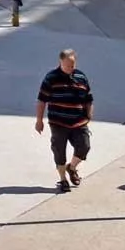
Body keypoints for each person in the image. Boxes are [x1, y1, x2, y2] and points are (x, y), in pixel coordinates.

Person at [35, 48, 93, 191]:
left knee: (84, 147)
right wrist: (39, 120)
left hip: (79, 121)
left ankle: (71, 167)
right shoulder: (51, 78)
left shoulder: (81, 77)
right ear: (61, 62)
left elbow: (88, 99)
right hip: (58, 122)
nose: (71, 68)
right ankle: (63, 179)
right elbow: (42, 100)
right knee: (59, 150)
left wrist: (89, 115)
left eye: (73, 65)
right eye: (68, 65)